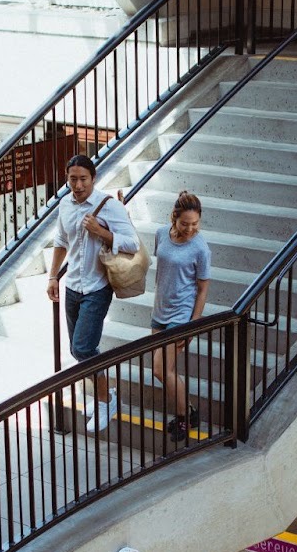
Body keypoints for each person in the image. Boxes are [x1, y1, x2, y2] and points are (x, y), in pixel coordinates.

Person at [46, 155, 139, 432]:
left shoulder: (108, 206)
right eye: (72, 179)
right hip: (72, 285)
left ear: (94, 178)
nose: (77, 185)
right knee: (79, 351)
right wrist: (53, 275)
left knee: (84, 348)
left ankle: (105, 400)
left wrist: (101, 232)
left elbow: (132, 243)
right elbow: (61, 240)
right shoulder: (64, 204)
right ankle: (104, 396)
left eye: (83, 179)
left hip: (97, 288)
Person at [150, 191, 211, 443]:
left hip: (181, 316)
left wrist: (192, 324)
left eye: (195, 224)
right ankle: (189, 410)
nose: (190, 229)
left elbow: (203, 288)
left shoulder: (200, 248)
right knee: (166, 370)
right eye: (185, 223)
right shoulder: (161, 234)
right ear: (174, 218)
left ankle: (184, 417)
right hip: (159, 311)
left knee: (160, 369)